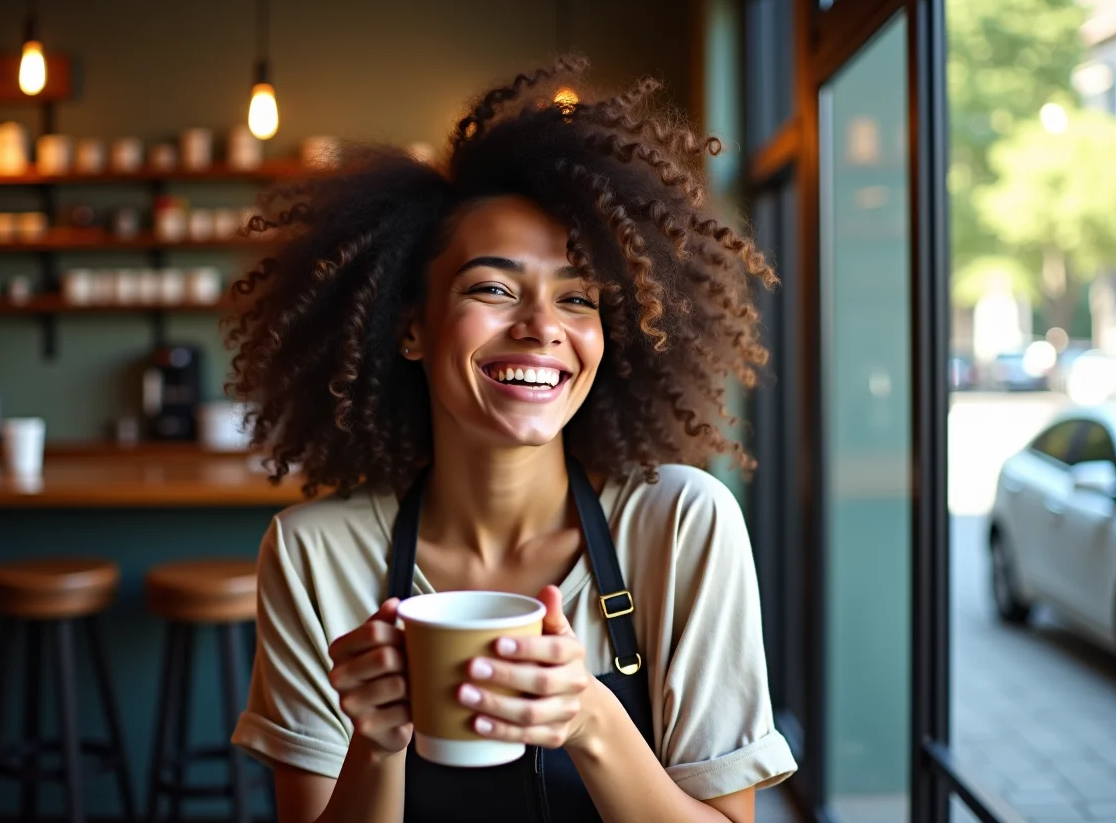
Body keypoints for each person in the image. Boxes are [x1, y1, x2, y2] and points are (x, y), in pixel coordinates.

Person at [227, 56, 797, 823]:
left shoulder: (681, 524)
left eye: (577, 298)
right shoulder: (314, 555)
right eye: (493, 288)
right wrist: (378, 741)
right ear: (410, 329)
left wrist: (590, 718)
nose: (541, 328)